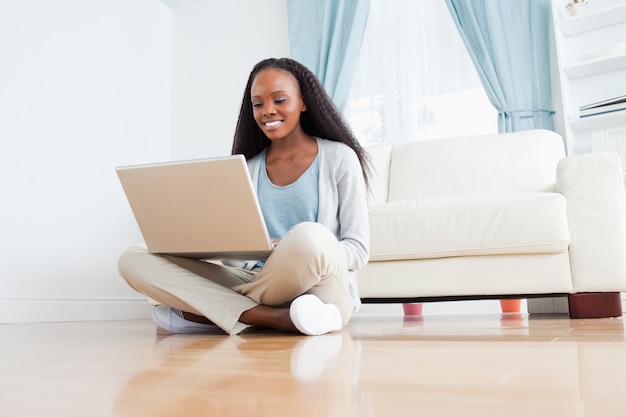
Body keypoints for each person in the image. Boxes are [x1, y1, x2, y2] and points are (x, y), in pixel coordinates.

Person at [118, 57, 370, 336]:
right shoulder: (247, 168)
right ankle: (274, 317)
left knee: (309, 237)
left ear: (303, 102)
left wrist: (287, 247)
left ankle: (215, 312)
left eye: (280, 100)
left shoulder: (339, 158)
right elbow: (236, 258)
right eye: (258, 103)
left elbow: (358, 250)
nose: (267, 111)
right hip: (257, 280)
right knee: (133, 258)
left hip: (320, 287)